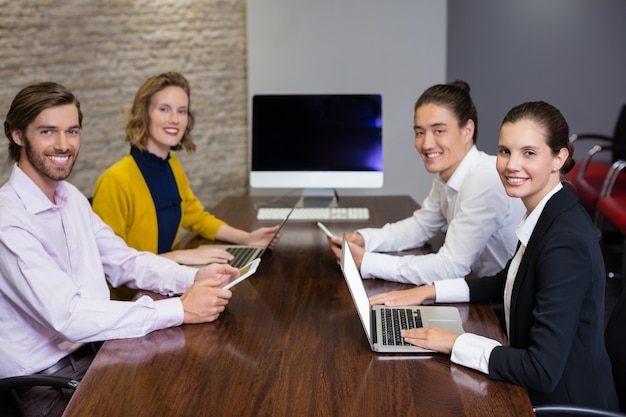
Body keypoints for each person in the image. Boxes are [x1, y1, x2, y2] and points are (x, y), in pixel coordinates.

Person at [0, 81, 238, 417]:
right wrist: (181, 310)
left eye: (72, 131)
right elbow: (69, 316)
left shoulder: (72, 200)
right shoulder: (8, 218)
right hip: (48, 381)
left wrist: (194, 277)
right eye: (48, 132)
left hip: (98, 349)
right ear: (18, 136)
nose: (64, 144)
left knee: (200, 388)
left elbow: (124, 260)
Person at [370, 101, 619, 410]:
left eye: (529, 153)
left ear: (559, 158)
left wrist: (454, 342)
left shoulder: (564, 242)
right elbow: (508, 280)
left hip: (562, 403)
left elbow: (540, 370)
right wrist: (428, 292)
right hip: (540, 385)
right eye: (505, 151)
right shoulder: (548, 212)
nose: (512, 164)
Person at [328, 81, 525, 285]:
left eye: (438, 131)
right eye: (420, 132)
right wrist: (365, 240)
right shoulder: (447, 176)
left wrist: (367, 262)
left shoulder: (484, 178)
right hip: (478, 287)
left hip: (501, 304)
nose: (426, 143)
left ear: (467, 130)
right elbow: (420, 227)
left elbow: (451, 267)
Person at [92, 72, 281, 281]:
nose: (174, 119)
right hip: (132, 299)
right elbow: (110, 263)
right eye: (164, 109)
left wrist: (247, 238)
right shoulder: (114, 180)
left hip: (167, 280)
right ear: (144, 114)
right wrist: (178, 256)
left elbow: (196, 217)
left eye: (181, 111)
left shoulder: (172, 166)